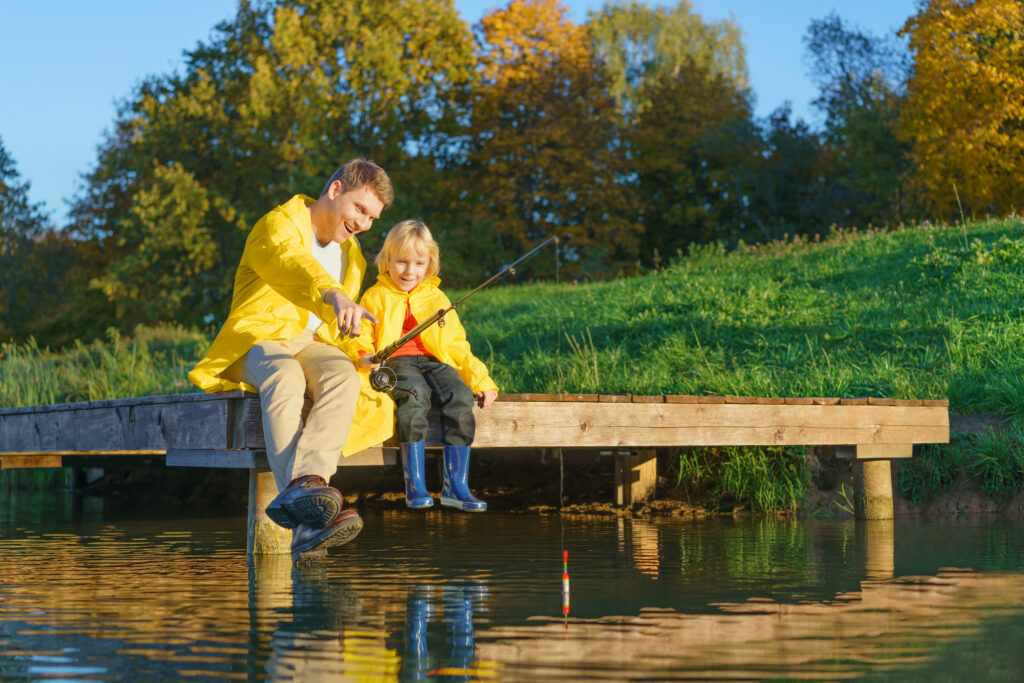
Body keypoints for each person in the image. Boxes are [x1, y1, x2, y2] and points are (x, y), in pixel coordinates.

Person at [188, 159, 395, 559]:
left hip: (310, 340)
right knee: (284, 376)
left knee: (342, 376)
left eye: (372, 217)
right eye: (360, 209)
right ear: (334, 191)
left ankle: (307, 496)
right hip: (257, 335)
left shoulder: (352, 256)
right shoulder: (278, 224)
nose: (364, 224)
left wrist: (362, 355)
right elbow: (290, 264)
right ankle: (306, 505)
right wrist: (332, 293)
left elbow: (337, 332)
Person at [344, 219, 498, 511]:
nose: (409, 271)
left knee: (461, 397)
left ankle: (456, 486)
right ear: (387, 260)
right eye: (402, 262)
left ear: (430, 264)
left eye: (418, 263)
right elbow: (363, 333)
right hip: (398, 362)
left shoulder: (437, 297)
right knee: (415, 397)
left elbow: (456, 343)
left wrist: (481, 380)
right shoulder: (375, 295)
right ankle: (415, 484)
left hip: (434, 363)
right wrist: (364, 356)